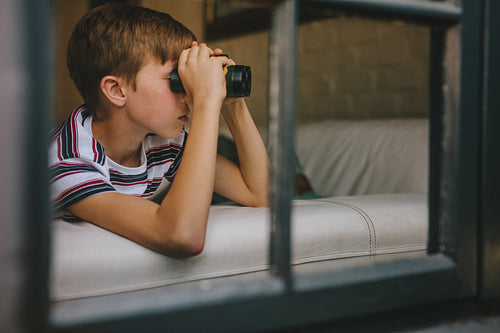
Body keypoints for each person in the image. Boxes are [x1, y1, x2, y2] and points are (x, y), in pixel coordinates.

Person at [48, 3, 269, 258]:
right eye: (175, 78)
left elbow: (260, 194)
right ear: (117, 91)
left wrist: (232, 104)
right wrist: (208, 100)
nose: (188, 93)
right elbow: (182, 237)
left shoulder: (162, 141)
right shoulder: (68, 161)